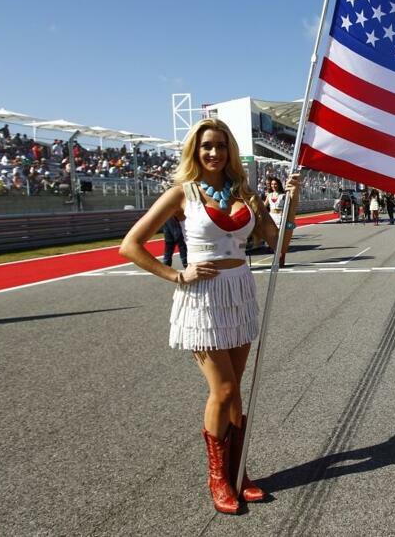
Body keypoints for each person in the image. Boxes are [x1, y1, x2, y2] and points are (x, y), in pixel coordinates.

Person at [119, 118, 299, 514]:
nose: (213, 152)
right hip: (201, 296)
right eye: (206, 147)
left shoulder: (246, 194)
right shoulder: (181, 193)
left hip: (239, 292)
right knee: (224, 390)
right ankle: (218, 479)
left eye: (219, 145)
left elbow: (278, 246)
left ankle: (239, 475)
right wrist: (176, 274)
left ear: (229, 150)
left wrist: (291, 202)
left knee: (236, 387)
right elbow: (130, 246)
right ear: (195, 152)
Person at [264, 177, 292, 267]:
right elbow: (264, 206)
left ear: (279, 184)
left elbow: (288, 207)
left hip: (280, 217)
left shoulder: (284, 195)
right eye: (272, 184)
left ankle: (281, 257)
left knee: (280, 239)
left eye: (275, 184)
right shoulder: (269, 195)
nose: (273, 186)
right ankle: (277, 257)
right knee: (273, 239)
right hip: (271, 217)